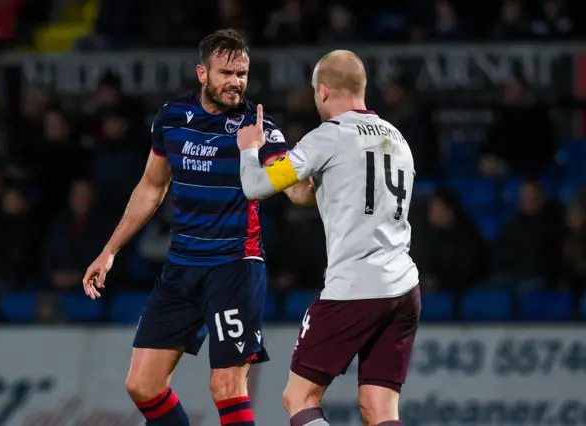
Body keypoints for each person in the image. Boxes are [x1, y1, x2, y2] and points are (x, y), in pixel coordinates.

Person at [82, 29, 313, 426]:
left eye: (242, 73)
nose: (236, 82)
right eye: (226, 72)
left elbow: (296, 193)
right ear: (202, 73)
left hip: (234, 267)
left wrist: (310, 171)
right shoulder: (171, 119)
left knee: (226, 386)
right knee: (142, 385)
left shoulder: (258, 127)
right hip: (181, 267)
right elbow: (151, 189)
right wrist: (110, 251)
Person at [237, 50, 421, 426]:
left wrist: (249, 151)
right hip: (404, 288)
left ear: (323, 92)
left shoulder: (329, 136)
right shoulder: (398, 138)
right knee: (379, 408)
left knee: (298, 397)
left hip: (354, 288)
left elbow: (254, 186)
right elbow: (321, 194)